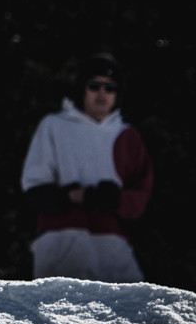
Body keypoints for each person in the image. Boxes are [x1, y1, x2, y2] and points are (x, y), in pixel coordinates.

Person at [19, 52, 154, 281]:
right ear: (82, 88)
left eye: (109, 88)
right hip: (62, 239)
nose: (102, 93)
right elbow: (35, 188)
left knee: (126, 312)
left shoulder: (127, 136)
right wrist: (72, 197)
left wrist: (112, 199)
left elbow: (140, 197)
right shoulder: (54, 126)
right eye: (94, 86)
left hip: (112, 246)